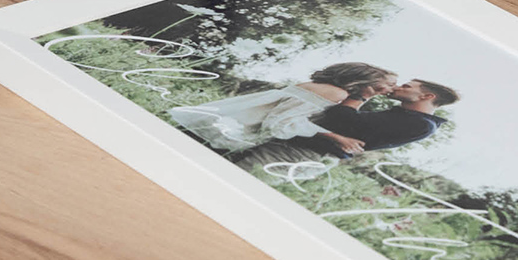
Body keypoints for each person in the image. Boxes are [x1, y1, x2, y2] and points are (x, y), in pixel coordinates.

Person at [169, 62, 396, 155]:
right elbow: (283, 122)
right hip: (229, 129)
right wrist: (336, 137)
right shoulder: (337, 94)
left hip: (221, 118)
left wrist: (364, 97)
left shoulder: (318, 85)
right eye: (389, 84)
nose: (390, 90)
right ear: (366, 78)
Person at [293, 78, 460, 156]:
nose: (397, 87)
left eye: (406, 86)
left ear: (426, 96)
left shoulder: (420, 124)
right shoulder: (407, 116)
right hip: (299, 143)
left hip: (302, 152)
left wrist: (363, 95)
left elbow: (342, 118)